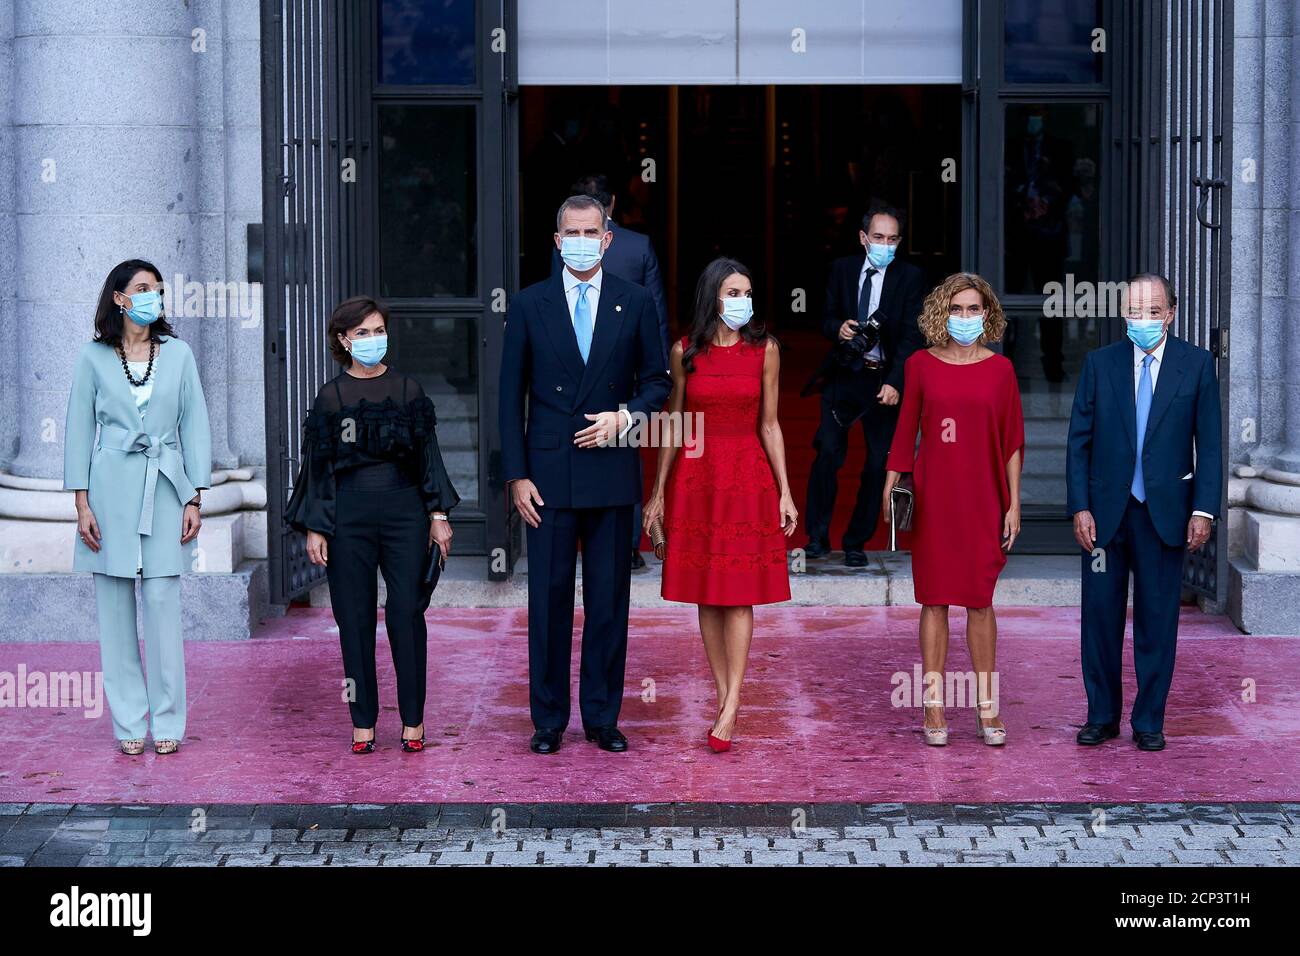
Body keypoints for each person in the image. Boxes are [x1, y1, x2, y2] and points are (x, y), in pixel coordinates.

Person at [500, 194, 671, 755]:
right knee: (548, 602)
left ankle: (601, 715)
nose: (579, 239)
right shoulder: (529, 304)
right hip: (546, 476)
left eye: (589, 230)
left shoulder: (635, 300)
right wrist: (516, 475)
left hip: (610, 470)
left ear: (607, 238)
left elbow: (657, 382)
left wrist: (627, 418)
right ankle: (548, 719)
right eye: (569, 231)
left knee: (608, 602)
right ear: (557, 240)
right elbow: (508, 398)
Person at [283, 296, 459, 754]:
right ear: (344, 340)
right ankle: (363, 722)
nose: (373, 339)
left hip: (406, 514)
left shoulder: (408, 391)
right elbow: (317, 469)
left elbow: (428, 458)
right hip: (348, 518)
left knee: (406, 614)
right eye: (362, 333)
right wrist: (316, 528)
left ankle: (413, 722)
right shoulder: (331, 397)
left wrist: (438, 516)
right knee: (353, 620)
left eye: (379, 330)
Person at [644, 258, 795, 752]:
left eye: (747, 292)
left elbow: (770, 424)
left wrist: (787, 490)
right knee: (707, 593)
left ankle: (731, 707)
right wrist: (659, 491)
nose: (742, 301)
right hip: (696, 476)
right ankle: (723, 694)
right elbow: (673, 421)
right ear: (713, 296)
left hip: (747, 475)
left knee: (740, 591)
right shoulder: (685, 351)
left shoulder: (765, 349)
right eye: (732, 292)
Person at [1067, 273, 1222, 752]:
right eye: (1135, 311)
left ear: (1170, 314)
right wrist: (1080, 506)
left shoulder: (1196, 366)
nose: (1144, 319)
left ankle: (1149, 719)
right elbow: (1079, 441)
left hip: (1165, 514)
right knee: (1099, 616)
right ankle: (1101, 716)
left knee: (1158, 618)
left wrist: (1204, 510)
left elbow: (1210, 447)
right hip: (1106, 515)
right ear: (1123, 313)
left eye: (1154, 311)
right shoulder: (1100, 364)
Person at [63, 258, 212, 756]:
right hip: (110, 489)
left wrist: (195, 495)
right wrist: (81, 503)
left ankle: (169, 718)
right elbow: (80, 430)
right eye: (144, 288)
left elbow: (194, 426)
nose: (154, 297)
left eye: (159, 289)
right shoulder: (92, 358)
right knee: (114, 611)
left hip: (167, 487)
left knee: (164, 605)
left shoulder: (180, 354)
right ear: (120, 298)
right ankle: (129, 723)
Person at [883, 273, 1024, 747]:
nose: (966, 318)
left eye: (973, 309)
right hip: (934, 497)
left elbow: (1012, 442)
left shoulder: (1001, 371)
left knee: (981, 601)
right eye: (957, 309)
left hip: (984, 498)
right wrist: (891, 483)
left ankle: (987, 708)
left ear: (988, 315)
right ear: (942, 314)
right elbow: (905, 431)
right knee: (935, 600)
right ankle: (934, 706)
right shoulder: (920, 365)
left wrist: (1014, 503)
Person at [552, 173, 670, 570]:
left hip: (604, 370)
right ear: (615, 202)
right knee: (626, 446)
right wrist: (660, 364)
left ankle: (619, 536)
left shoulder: (570, 245)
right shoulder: (639, 245)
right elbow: (657, 313)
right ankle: (629, 543)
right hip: (628, 364)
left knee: (613, 440)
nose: (581, 242)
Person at [803, 204, 926, 566]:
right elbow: (823, 317)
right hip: (844, 375)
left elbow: (911, 336)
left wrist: (895, 382)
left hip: (883, 381)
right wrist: (837, 328)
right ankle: (817, 537)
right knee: (827, 452)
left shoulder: (910, 276)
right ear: (863, 238)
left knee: (877, 465)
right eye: (878, 237)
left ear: (899, 241)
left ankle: (856, 541)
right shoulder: (841, 269)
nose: (885, 244)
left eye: (892, 239)